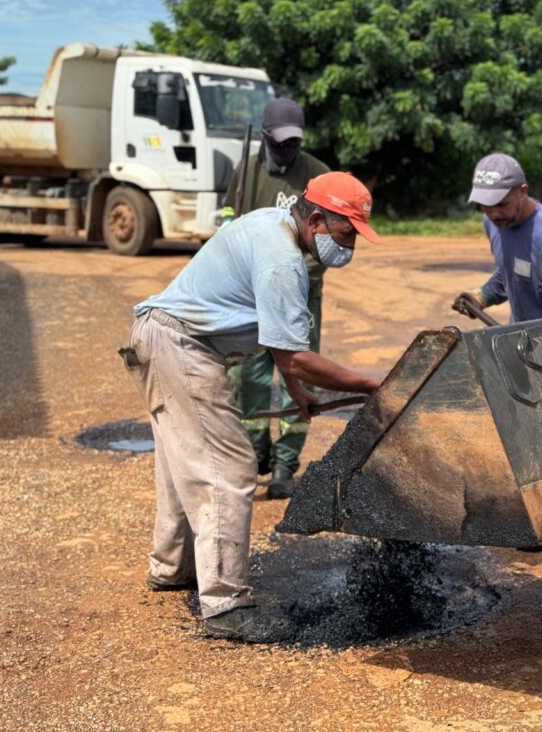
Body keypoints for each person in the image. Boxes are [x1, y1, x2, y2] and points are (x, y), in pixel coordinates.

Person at [124, 172, 380, 642]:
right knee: (228, 468)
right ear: (318, 219)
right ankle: (224, 606)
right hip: (182, 348)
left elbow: (281, 351)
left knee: (182, 464)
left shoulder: (272, 223)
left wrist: (298, 393)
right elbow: (298, 356)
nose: (349, 248)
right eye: (346, 234)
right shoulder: (283, 261)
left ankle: (171, 568)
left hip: (162, 339)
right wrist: (370, 384)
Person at [223, 97, 330, 499]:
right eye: (281, 142)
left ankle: (286, 462)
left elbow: (325, 244)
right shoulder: (244, 173)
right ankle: (256, 455)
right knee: (246, 378)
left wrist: (294, 281)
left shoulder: (317, 176)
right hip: (249, 298)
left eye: (294, 142)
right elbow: (228, 230)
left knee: (296, 376)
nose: (288, 149)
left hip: (300, 296)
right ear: (265, 136)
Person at [452, 153, 542, 323]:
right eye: (486, 206)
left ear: (522, 192)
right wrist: (483, 295)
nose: (494, 214)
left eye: (502, 204)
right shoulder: (493, 222)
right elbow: (514, 269)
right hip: (519, 336)